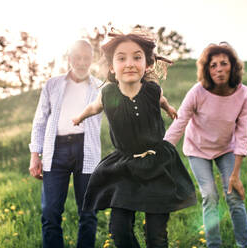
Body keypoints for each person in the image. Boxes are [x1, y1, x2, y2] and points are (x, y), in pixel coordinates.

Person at [72, 31, 197, 248]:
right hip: (125, 167)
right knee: (119, 230)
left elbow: (161, 99)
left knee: (156, 235)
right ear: (112, 67)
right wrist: (80, 117)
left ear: (147, 64)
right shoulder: (108, 94)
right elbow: (94, 107)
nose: (129, 63)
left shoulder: (152, 90)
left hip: (157, 163)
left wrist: (168, 108)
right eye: (121, 58)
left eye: (136, 57)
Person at [164, 42, 247, 248]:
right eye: (213, 65)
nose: (219, 69)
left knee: (235, 197)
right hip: (197, 149)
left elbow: (242, 134)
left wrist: (236, 175)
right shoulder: (198, 92)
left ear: (233, 66)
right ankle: (214, 245)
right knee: (210, 197)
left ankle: (245, 245)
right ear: (206, 69)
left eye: (224, 63)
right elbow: (180, 123)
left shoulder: (244, 94)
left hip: (226, 148)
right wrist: (163, 153)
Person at [28, 40, 101, 248]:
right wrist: (35, 154)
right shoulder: (53, 84)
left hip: (86, 150)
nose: (82, 62)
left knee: (88, 213)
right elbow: (40, 120)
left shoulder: (100, 87)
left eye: (86, 58)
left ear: (91, 60)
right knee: (50, 213)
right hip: (55, 150)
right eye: (77, 57)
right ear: (70, 59)